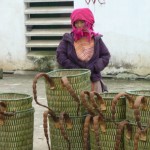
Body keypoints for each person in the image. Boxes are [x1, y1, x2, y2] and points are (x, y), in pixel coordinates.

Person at [56, 8, 110, 93]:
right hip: (74, 81)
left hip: (94, 79)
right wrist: (75, 69)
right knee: (76, 104)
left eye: (82, 22)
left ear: (88, 22)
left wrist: (95, 67)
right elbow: (60, 55)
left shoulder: (96, 39)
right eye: (76, 22)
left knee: (94, 104)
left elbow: (105, 56)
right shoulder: (68, 39)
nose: (79, 25)